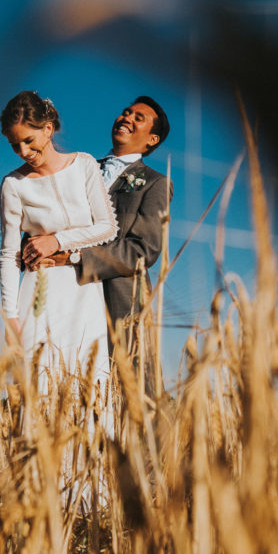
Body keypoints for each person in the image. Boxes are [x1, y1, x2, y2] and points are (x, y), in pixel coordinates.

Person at [33, 96, 171, 398]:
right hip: (65, 292)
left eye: (139, 118)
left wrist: (74, 256)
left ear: (152, 139)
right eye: (125, 112)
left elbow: (142, 250)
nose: (127, 117)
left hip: (120, 303)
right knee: (63, 384)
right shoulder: (78, 169)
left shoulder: (153, 183)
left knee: (131, 395)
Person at [0, 91, 118, 389]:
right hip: (37, 290)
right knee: (40, 381)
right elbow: (9, 254)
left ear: (48, 129)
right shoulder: (13, 185)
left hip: (83, 289)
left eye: (29, 140)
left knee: (88, 380)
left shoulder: (84, 165)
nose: (23, 151)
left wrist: (57, 241)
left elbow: (107, 227)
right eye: (15, 145)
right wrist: (10, 316)